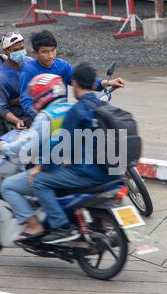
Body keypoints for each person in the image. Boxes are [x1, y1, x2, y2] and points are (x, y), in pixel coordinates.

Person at [31, 62, 124, 244]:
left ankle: (61, 227)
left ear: (74, 83)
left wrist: (41, 166)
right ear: (93, 83)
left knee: (40, 181)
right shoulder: (103, 106)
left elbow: (61, 146)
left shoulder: (78, 110)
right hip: (115, 172)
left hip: (89, 173)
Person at [0, 74, 73, 242]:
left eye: (35, 94)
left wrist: (4, 148)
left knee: (8, 186)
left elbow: (27, 146)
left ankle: (34, 225)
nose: (34, 98)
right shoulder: (70, 108)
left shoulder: (47, 116)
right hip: (73, 167)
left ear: (44, 94)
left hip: (54, 169)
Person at [19, 30, 124, 120]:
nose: (50, 55)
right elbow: (26, 100)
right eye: (45, 52)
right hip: (42, 119)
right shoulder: (29, 71)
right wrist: (41, 117)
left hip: (62, 115)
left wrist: (108, 82)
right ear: (36, 53)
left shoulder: (62, 66)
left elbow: (82, 80)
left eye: (53, 50)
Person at [0, 31, 33, 132]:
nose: (20, 52)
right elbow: (1, 108)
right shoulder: (0, 78)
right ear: (6, 51)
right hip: (20, 121)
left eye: (21, 48)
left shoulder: (31, 62)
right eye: (16, 50)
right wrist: (17, 121)